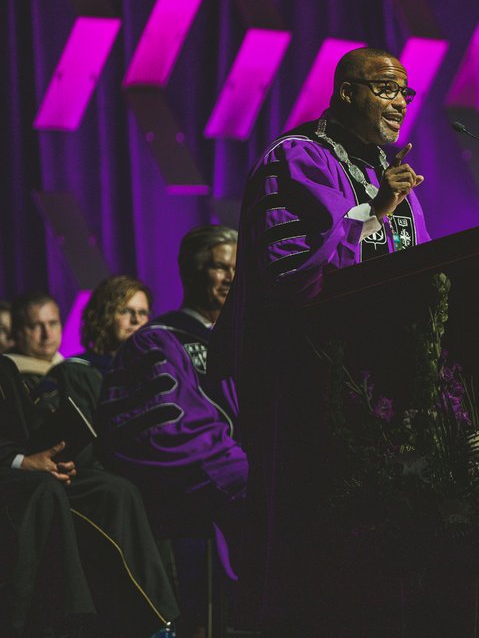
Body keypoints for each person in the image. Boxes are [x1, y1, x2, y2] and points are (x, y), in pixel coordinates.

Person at [210, 46, 429, 633]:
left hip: (386, 378)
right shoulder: (296, 159)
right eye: (386, 88)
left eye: (406, 92)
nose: (400, 103)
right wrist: (377, 210)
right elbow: (295, 274)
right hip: (308, 384)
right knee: (316, 548)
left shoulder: (391, 173)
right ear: (346, 91)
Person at [98, 225, 245, 637]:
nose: (232, 276)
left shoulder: (246, 341)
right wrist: (248, 465)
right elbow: (165, 433)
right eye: (220, 267)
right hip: (194, 485)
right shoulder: (156, 344)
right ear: (192, 273)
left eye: (237, 267)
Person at [1, 354, 179, 637]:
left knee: (114, 490)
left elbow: (25, 427)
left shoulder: (4, 367)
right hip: (11, 473)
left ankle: (158, 622)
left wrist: (54, 452)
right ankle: (72, 621)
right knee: (44, 490)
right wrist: (21, 461)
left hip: (27, 463)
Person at [46, 275, 152, 429]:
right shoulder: (75, 372)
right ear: (104, 315)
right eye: (125, 311)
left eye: (142, 312)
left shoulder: (154, 368)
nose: (136, 320)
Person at [5, 292, 65, 375]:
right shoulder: (7, 375)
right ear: (16, 331)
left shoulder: (70, 369)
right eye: (35, 326)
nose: (47, 334)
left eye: (53, 323)